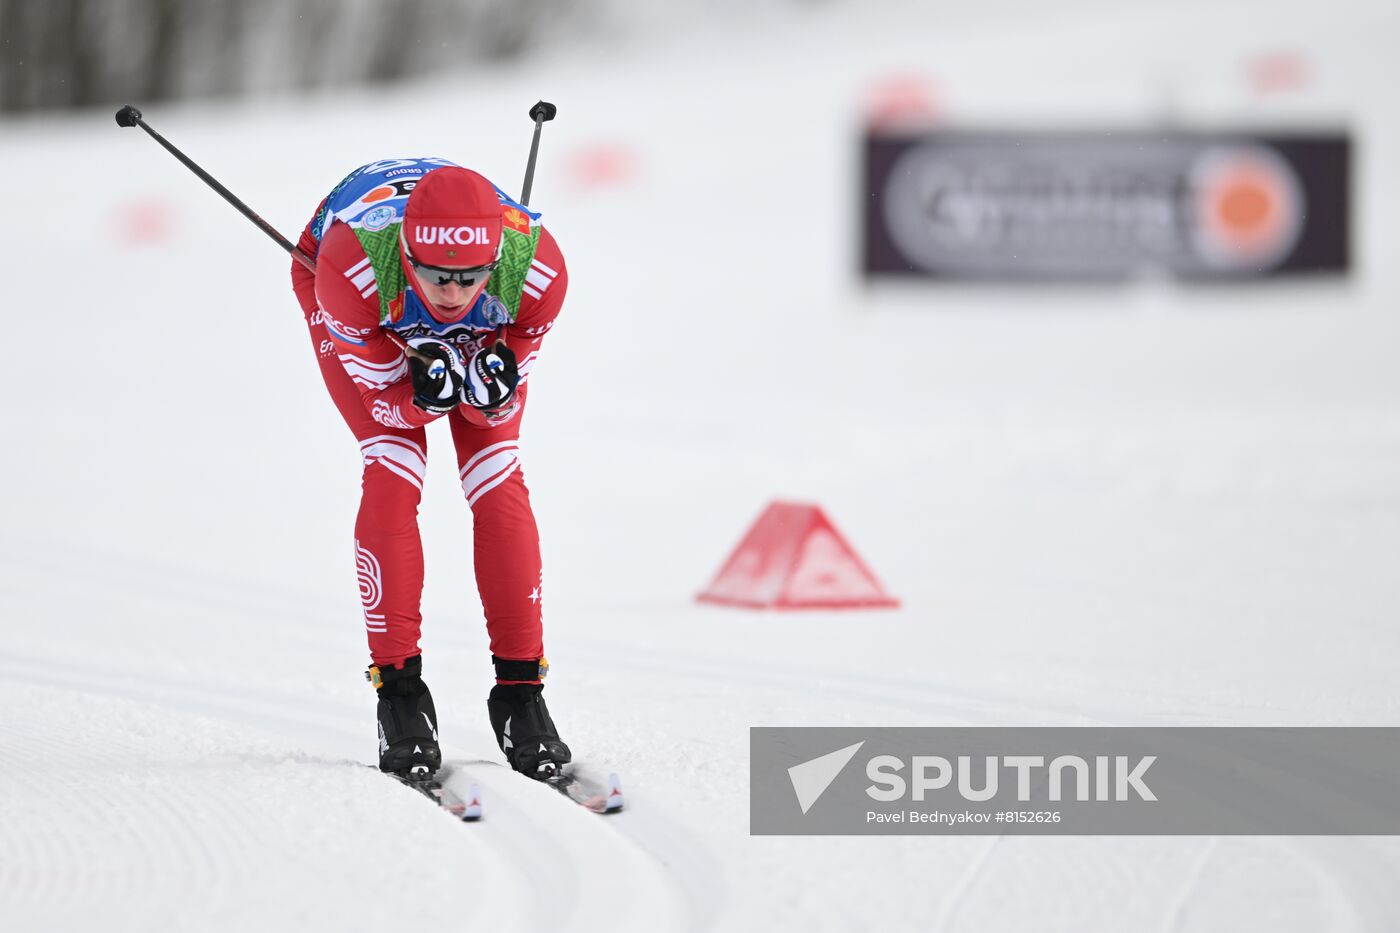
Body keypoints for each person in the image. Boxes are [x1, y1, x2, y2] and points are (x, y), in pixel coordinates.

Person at [289, 157, 571, 780]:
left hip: (469, 305)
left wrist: (491, 384)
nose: (452, 294)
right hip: (356, 291)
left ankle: (522, 692)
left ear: (497, 260)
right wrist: (421, 393)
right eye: (437, 275)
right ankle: (401, 695)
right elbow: (385, 403)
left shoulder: (538, 271)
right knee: (393, 464)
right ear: (407, 257)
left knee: (497, 478)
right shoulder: (350, 268)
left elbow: (506, 389)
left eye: (470, 277)